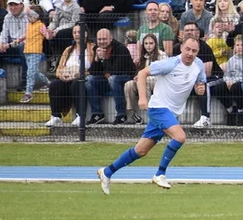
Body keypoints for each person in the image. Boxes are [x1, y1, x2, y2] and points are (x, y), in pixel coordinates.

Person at [97, 36, 206, 193]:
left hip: (171, 113)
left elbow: (199, 84)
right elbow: (142, 74)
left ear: (198, 52)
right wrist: (142, 97)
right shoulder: (170, 63)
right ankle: (160, 173)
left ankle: (107, 172)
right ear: (181, 48)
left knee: (140, 150)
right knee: (180, 137)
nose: (190, 53)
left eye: (194, 51)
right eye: (187, 49)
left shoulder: (199, 65)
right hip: (159, 108)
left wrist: (200, 88)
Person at [45, 25, 92, 127]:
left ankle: (81, 116)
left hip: (83, 78)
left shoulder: (92, 48)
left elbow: (94, 69)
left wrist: (81, 74)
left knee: (76, 83)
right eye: (74, 32)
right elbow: (59, 68)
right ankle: (56, 116)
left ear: (85, 34)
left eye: (79, 32)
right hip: (67, 78)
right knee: (54, 84)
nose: (76, 35)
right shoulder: (68, 50)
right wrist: (61, 75)